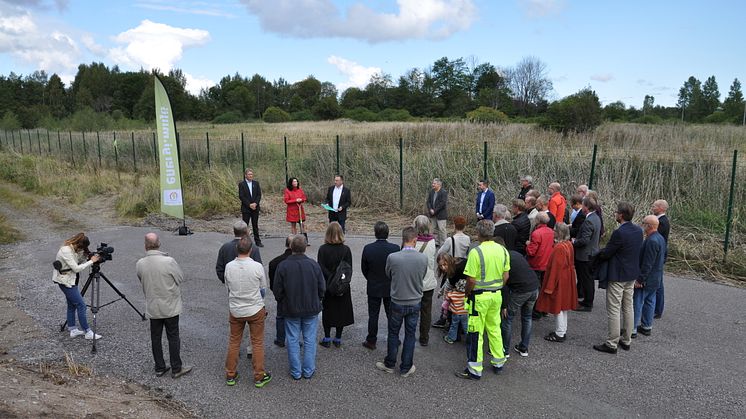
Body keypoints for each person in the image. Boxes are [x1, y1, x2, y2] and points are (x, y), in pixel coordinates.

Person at [456, 219, 510, 380]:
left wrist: (466, 293)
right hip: (496, 295)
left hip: (479, 297)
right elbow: (506, 275)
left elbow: (471, 280)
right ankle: (498, 361)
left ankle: (474, 368)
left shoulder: (476, 252)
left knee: (475, 332)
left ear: (478, 233)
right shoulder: (503, 250)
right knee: (494, 328)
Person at [136, 233, 192, 378]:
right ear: (159, 243)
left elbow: (140, 278)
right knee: (173, 336)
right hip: (170, 305)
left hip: (153, 305)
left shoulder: (140, 263)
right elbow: (180, 278)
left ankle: (160, 367)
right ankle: (176, 367)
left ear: (145, 245)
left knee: (156, 337)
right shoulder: (169, 261)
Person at [375, 227, 428, 377]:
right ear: (415, 240)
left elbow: (388, 274)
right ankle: (406, 367)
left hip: (397, 300)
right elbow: (422, 276)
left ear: (403, 239)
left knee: (393, 333)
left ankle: (390, 363)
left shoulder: (393, 257)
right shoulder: (422, 258)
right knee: (410, 334)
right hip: (415, 301)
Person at [593, 202, 643, 354]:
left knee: (614, 308)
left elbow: (608, 252)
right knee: (628, 307)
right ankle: (626, 339)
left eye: (616, 212)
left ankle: (612, 343)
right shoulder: (638, 230)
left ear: (621, 215)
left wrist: (598, 254)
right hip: (632, 273)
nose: (614, 214)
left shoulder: (619, 233)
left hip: (618, 274)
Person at [274, 235, 325, 380]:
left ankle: (296, 371)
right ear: (305, 247)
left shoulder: (283, 266)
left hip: (290, 309)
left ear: (291, 247)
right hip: (311, 308)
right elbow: (322, 287)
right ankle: (308, 370)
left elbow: (277, 290)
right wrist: (318, 299)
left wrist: (282, 302)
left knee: (292, 339)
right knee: (309, 339)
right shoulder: (314, 265)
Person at [223, 237, 271, 388]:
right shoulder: (257, 266)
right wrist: (260, 303)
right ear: (251, 250)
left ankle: (230, 373)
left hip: (236, 308)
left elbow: (227, 288)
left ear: (237, 249)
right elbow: (263, 288)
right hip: (255, 308)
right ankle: (259, 375)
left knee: (234, 341)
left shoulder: (229, 266)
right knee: (257, 342)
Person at [215, 220, 263, 358]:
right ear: (247, 231)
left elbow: (219, 268)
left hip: (233, 291)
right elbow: (259, 269)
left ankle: (236, 350)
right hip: (252, 290)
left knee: (236, 322)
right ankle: (250, 348)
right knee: (254, 322)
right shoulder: (252, 247)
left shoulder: (224, 248)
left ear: (233, 231)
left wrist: (227, 282)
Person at [52, 232, 102, 340]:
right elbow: (76, 268)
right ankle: (87, 332)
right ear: (78, 244)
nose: (81, 250)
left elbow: (77, 262)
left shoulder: (72, 250)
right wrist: (91, 262)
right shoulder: (66, 250)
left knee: (72, 305)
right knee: (81, 305)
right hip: (65, 281)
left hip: (70, 280)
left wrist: (86, 256)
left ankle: (73, 329)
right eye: (82, 248)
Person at [535, 223, 578, 343]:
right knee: (563, 306)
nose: (553, 232)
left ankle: (559, 333)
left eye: (555, 230)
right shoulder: (568, 244)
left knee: (558, 305)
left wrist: (550, 285)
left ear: (559, 233)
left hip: (560, 279)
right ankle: (562, 330)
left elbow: (555, 268)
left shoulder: (559, 247)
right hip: (567, 277)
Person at [361, 221, 400, 350]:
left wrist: (371, 278)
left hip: (373, 286)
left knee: (373, 315)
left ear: (375, 233)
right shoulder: (395, 248)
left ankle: (371, 340)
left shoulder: (368, 248)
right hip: (390, 286)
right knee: (391, 315)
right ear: (388, 234)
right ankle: (394, 338)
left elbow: (364, 268)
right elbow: (397, 268)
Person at [498, 236, 539, 357]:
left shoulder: (502, 259)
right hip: (534, 287)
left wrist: (504, 305)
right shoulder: (515, 253)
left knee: (507, 318)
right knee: (527, 317)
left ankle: (504, 350)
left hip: (521, 291)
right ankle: (524, 348)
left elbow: (504, 284)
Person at [317, 222, 354, 347]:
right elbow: (349, 268)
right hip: (342, 284)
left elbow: (320, 268)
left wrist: (330, 278)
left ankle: (327, 338)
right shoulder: (346, 249)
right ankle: (338, 338)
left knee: (327, 310)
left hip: (328, 285)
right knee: (341, 310)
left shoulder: (323, 249)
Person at [634, 215, 666, 337]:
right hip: (656, 278)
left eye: (643, 223)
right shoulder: (660, 238)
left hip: (647, 279)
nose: (642, 225)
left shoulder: (651, 241)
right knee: (650, 301)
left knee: (637, 302)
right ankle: (646, 326)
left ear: (649, 226)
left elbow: (647, 263)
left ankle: (632, 329)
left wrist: (640, 279)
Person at [573, 196, 602, 312]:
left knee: (586, 279)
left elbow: (585, 240)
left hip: (585, 255)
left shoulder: (589, 220)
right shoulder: (596, 218)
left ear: (586, 207)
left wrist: (575, 241)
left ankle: (588, 303)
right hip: (592, 252)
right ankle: (587, 300)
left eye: (583, 205)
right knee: (588, 279)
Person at [414, 215, 437, 346]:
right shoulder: (432, 242)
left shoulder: (412, 242)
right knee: (426, 311)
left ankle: (410, 333)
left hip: (414, 281)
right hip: (428, 281)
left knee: (412, 309)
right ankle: (424, 337)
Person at [268, 235, 293, 347]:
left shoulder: (274, 262)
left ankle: (280, 339)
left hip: (281, 295)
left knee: (280, 316)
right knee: (295, 318)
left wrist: (277, 294)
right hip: (296, 295)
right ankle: (294, 339)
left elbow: (272, 282)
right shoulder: (303, 262)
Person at [433, 252, 467, 329]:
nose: (443, 268)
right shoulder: (456, 263)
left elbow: (450, 285)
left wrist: (448, 295)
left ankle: (454, 326)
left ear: (449, 261)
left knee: (458, 308)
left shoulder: (456, 270)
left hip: (466, 289)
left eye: (445, 264)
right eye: (441, 266)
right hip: (461, 288)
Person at [651, 199, 670, 319]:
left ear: (661, 208)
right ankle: (656, 308)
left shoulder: (662, 222)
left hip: (658, 254)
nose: (652, 208)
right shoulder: (661, 220)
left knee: (658, 283)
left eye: (655, 206)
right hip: (660, 253)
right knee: (658, 282)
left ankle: (657, 309)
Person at [238, 168, 263, 247]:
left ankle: (258, 241)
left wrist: (255, 203)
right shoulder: (242, 184)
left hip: (255, 208)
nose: (251, 176)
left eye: (251, 174)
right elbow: (241, 196)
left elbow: (259, 195)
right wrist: (249, 205)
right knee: (245, 225)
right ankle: (244, 241)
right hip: (246, 208)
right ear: (245, 175)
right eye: (249, 174)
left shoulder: (256, 183)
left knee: (255, 225)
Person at [443, 277, 468, 344]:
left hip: (455, 313)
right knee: (466, 327)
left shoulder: (453, 294)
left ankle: (451, 338)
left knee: (454, 325)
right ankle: (469, 339)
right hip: (465, 313)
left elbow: (447, 297)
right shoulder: (466, 295)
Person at [426, 178, 448, 247]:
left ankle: (444, 244)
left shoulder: (443, 192)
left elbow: (442, 203)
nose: (432, 185)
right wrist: (430, 209)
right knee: (431, 229)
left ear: (439, 185)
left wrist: (434, 210)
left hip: (441, 215)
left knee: (441, 230)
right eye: (432, 183)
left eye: (434, 184)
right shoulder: (431, 192)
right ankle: (431, 243)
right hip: (432, 215)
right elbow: (428, 201)